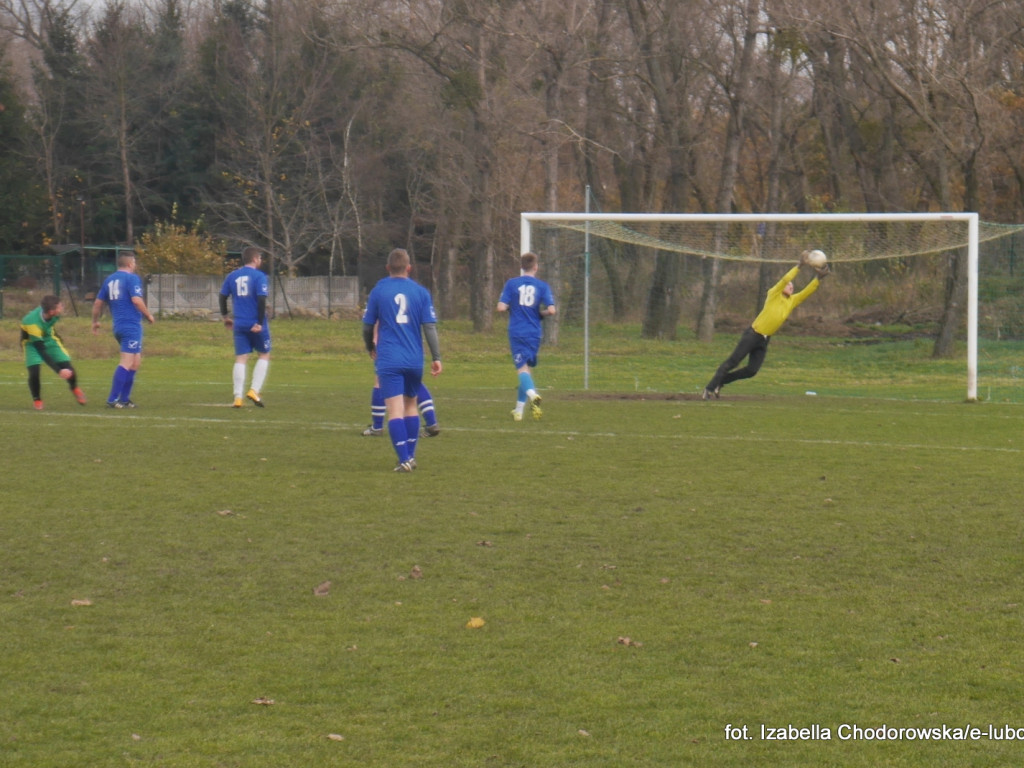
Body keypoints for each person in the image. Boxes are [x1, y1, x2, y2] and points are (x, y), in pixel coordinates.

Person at [702, 250, 829, 399]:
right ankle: (709, 388)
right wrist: (799, 266)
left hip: (764, 339)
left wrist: (818, 279)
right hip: (752, 334)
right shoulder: (773, 294)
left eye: (792, 286)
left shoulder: (791, 301)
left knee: (752, 370)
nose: (791, 287)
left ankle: (721, 382)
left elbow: (806, 292)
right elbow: (784, 279)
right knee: (733, 361)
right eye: (789, 285)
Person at [362, 248, 442, 472]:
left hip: (389, 357)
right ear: (409, 268)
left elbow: (368, 326)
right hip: (414, 358)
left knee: (395, 410)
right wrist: (436, 357)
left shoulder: (379, 290)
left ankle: (404, 459)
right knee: (410, 407)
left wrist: (370, 346)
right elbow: (430, 327)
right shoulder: (421, 292)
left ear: (388, 268)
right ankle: (411, 456)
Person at [496, 251, 556, 421]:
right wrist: (540, 314)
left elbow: (500, 307)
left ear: (522, 267)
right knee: (526, 369)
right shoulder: (543, 286)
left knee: (521, 368)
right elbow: (552, 310)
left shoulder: (512, 284)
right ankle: (518, 411)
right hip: (535, 333)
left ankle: (533, 395)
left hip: (517, 332)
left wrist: (511, 308)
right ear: (536, 267)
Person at [92, 251, 155, 408]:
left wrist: (95, 321)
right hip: (130, 326)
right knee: (127, 362)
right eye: (134, 262)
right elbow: (136, 300)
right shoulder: (132, 278)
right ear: (129, 264)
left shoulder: (109, 279)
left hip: (119, 326)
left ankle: (124, 399)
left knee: (135, 362)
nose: (135, 265)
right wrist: (148, 315)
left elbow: (98, 303)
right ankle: (112, 399)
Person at [220, 246, 271, 407]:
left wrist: (225, 317)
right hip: (255, 323)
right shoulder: (259, 276)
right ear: (255, 259)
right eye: (260, 258)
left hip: (239, 323)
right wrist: (260, 323)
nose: (261, 261)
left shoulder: (232, 276)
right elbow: (262, 300)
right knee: (264, 354)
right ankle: (254, 390)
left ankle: (237, 397)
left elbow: (222, 297)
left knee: (241, 359)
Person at [20, 295, 87, 410]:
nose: (62, 308)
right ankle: (37, 400)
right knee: (34, 373)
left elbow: (49, 326)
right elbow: (41, 351)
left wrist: (58, 337)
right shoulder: (31, 322)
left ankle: (74, 387)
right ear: (51, 311)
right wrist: (59, 370)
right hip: (32, 343)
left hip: (49, 339)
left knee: (69, 368)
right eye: (60, 307)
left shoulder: (54, 315)